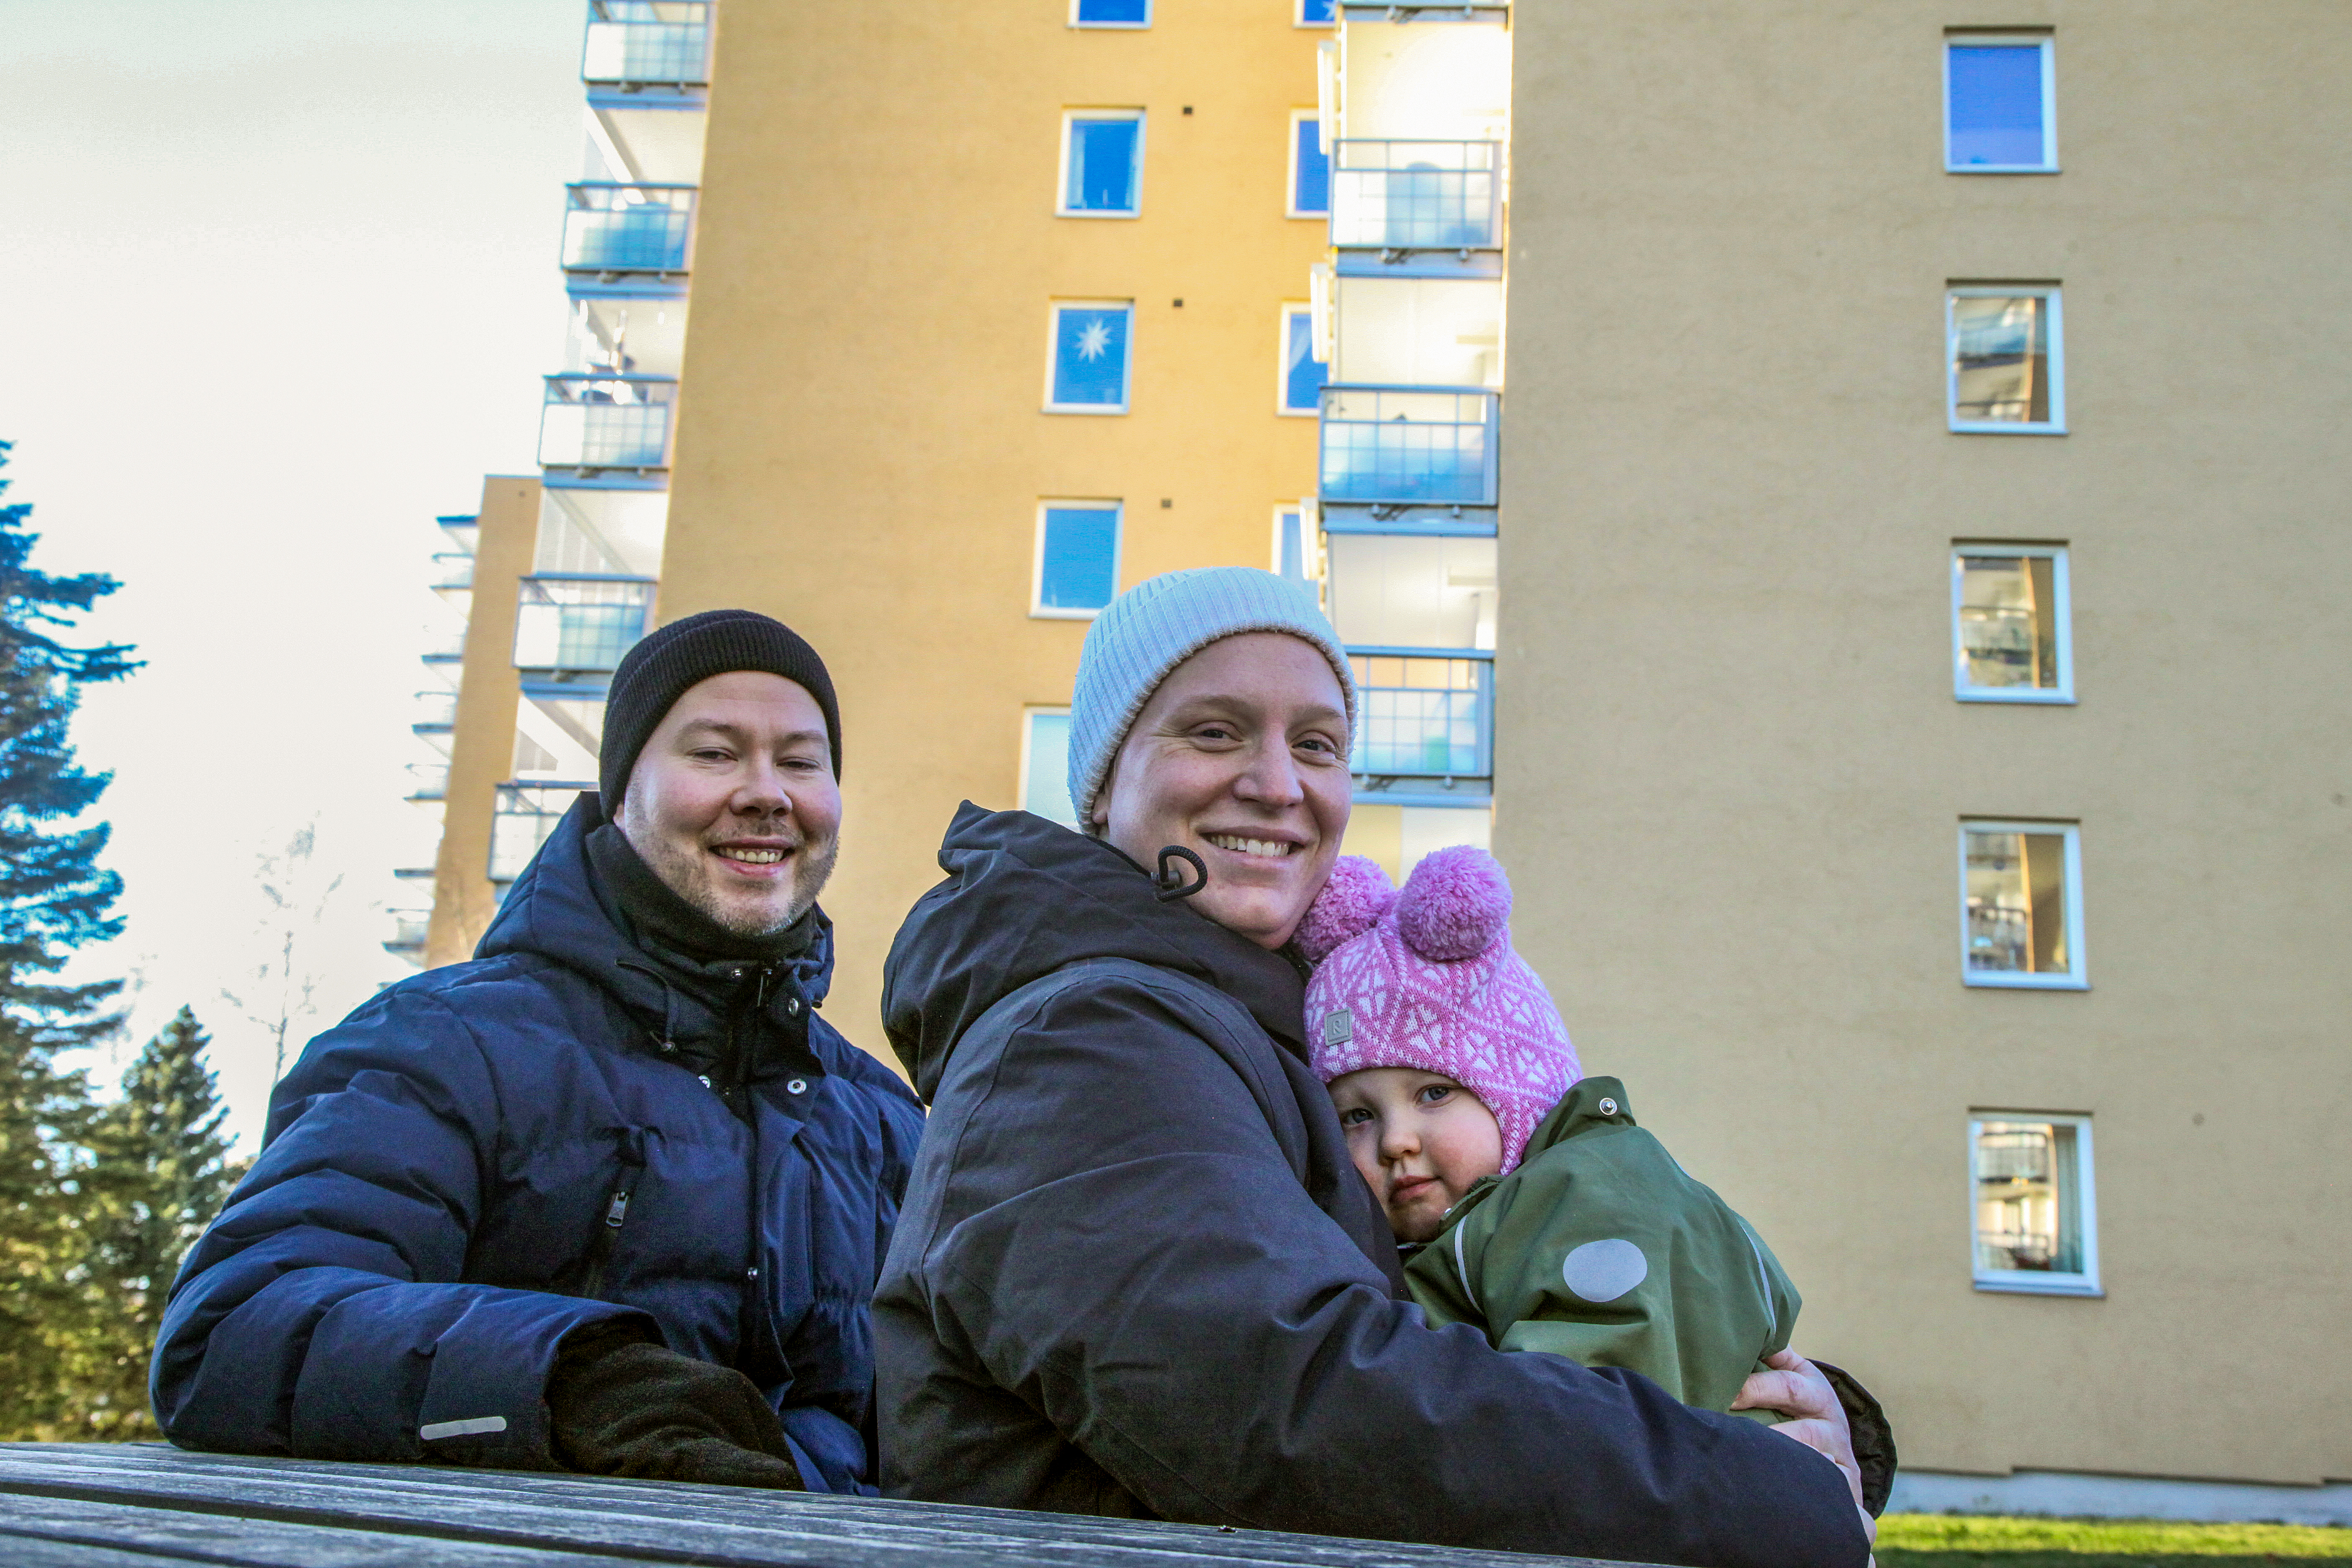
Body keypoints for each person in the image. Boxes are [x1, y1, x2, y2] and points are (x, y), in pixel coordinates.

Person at [875, 567, 1875, 1565]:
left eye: (1317, 745)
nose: (1279, 785)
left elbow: (1432, 1339)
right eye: (1215, 732)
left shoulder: (1244, 1029)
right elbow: (1293, 1403)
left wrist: (1790, 1418)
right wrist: (1770, 1493)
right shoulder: (1085, 1038)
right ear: (1101, 784)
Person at [153, 611, 925, 1493]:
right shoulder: (444, 1046)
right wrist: (567, 1384)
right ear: (622, 793)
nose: (766, 793)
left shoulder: (888, 1123)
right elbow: (234, 1328)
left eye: (801, 762)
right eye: (714, 754)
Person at [1300, 847, 1897, 1515]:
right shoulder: (1477, 1232)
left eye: (1435, 1093)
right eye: (1356, 1116)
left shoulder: (1591, 1196)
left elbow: (1585, 1428)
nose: (1395, 1141)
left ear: (1519, 1093)